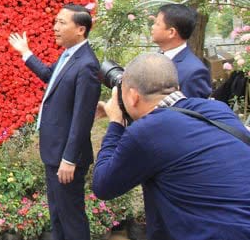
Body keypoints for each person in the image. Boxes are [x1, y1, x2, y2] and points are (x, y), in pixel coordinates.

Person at [93, 53, 250, 240]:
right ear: (176, 87)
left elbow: (103, 185)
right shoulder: (218, 110)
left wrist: (116, 122)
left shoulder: (147, 132)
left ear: (133, 96)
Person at [9, 4, 100, 240]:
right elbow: (51, 77)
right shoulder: (69, 55)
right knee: (58, 214)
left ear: (80, 29)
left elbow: (82, 118)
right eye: (55, 22)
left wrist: (69, 159)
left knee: (71, 218)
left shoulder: (87, 65)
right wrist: (26, 53)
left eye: (61, 23)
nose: (55, 28)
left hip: (66, 158)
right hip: (55, 153)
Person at [151, 3, 212, 98]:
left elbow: (191, 111)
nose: (153, 27)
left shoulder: (193, 72)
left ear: (171, 32)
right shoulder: (157, 58)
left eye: (157, 24)